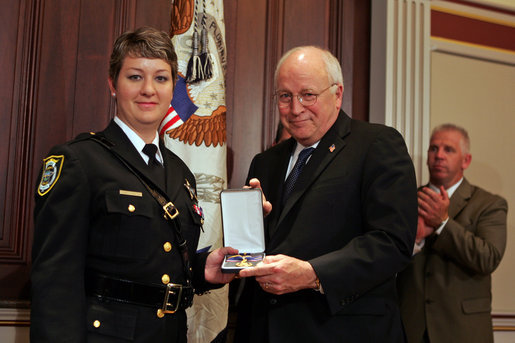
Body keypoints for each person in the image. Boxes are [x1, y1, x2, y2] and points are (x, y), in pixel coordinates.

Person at [30, 26, 237, 342]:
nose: (149, 90)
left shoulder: (181, 172)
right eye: (135, 77)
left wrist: (203, 270)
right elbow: (54, 280)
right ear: (112, 84)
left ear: (173, 89)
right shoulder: (79, 162)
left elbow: (157, 261)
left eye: (161, 78)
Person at [234, 46, 418, 342]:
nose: (295, 109)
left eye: (308, 95)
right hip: (264, 328)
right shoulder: (265, 162)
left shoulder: (377, 145)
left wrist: (312, 273)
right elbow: (254, 252)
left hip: (341, 330)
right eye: (285, 96)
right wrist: (249, 225)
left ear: (337, 94)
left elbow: (392, 242)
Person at [397, 124, 508, 343]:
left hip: (462, 330)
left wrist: (442, 224)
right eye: (433, 149)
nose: (439, 155)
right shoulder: (405, 200)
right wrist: (417, 240)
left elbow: (488, 258)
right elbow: (383, 261)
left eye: (448, 150)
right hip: (409, 328)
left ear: (465, 161)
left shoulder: (489, 204)